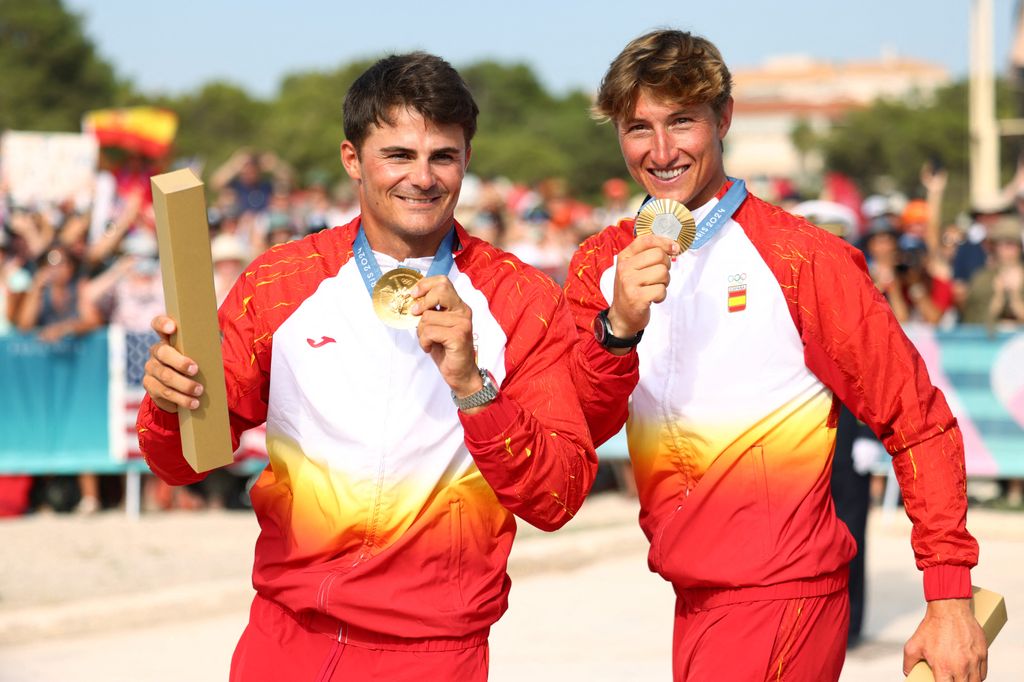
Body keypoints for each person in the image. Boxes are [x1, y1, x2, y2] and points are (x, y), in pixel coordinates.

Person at [137, 52, 596, 681]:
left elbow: (558, 494)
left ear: (467, 160)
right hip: (286, 639)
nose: (423, 178)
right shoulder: (279, 282)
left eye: (444, 156)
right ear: (353, 159)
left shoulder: (521, 300)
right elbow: (183, 460)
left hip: (433, 652)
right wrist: (168, 404)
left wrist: (473, 388)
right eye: (398, 155)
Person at [564, 29, 986, 681]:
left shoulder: (802, 258)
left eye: (682, 121)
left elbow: (918, 420)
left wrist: (949, 593)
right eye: (639, 127)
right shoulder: (600, 263)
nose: (663, 150)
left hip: (786, 595)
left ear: (723, 118)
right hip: (691, 596)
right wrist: (617, 329)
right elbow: (581, 432)